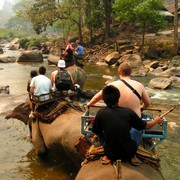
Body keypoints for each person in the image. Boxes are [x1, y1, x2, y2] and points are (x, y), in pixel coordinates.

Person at [92, 85, 162, 166]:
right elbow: (146, 126)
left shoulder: (101, 113)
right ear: (118, 98)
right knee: (138, 129)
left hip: (110, 154)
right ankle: (134, 156)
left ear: (104, 100)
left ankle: (106, 156)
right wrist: (156, 120)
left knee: (100, 132)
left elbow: (96, 131)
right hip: (129, 154)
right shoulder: (128, 112)